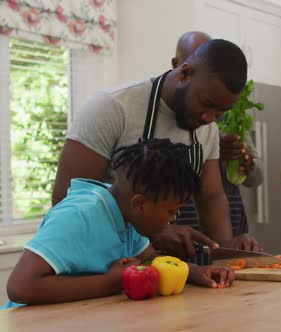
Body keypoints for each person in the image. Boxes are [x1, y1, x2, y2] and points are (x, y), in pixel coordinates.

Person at [51, 38, 259, 261]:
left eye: (220, 113)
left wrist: (225, 251)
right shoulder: (113, 108)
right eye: (206, 104)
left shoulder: (207, 129)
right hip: (100, 265)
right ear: (184, 73)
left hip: (165, 272)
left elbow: (211, 196)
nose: (209, 119)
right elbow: (67, 198)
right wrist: (153, 231)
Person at [5, 139, 234, 308]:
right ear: (140, 204)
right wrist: (111, 282)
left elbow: (149, 259)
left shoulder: (126, 214)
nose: (173, 219)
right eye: (171, 211)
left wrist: (193, 271)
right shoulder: (78, 216)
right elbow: (20, 287)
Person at [172, 31, 263, 241]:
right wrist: (211, 153)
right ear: (179, 66)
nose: (208, 118)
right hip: (181, 228)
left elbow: (255, 178)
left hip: (227, 223)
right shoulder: (170, 111)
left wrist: (246, 162)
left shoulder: (228, 114)